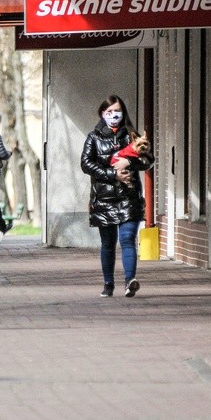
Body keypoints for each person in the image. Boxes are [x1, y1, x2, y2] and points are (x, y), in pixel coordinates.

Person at [80, 95, 154, 298]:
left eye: (117, 111)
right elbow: (86, 164)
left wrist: (129, 163)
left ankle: (130, 281)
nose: (114, 115)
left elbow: (148, 160)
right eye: (109, 111)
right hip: (104, 198)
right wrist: (113, 174)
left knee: (128, 238)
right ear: (102, 114)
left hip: (128, 197)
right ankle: (108, 284)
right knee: (108, 243)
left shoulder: (132, 135)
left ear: (124, 113)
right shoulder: (93, 137)